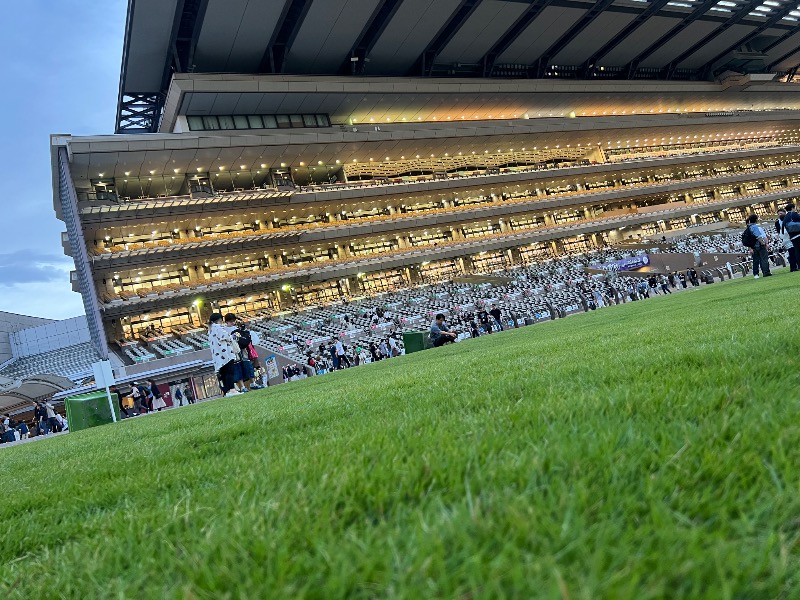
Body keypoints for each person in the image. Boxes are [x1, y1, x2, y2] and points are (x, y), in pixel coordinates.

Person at [208, 312, 240, 397]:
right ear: (219, 320)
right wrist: (233, 337)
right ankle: (232, 389)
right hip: (225, 354)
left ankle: (228, 391)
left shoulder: (210, 330)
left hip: (218, 356)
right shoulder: (218, 327)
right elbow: (226, 337)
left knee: (224, 373)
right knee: (229, 372)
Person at [782, 203, 800, 270]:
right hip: (798, 234)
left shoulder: (785, 218)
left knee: (797, 251)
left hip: (792, 236)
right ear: (792, 208)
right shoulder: (794, 214)